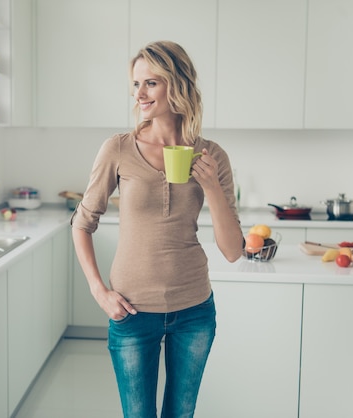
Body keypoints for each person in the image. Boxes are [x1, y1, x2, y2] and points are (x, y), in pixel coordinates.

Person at [71, 40, 244, 418]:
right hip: (131, 310)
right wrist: (99, 292)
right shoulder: (118, 148)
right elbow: (82, 223)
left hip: (195, 309)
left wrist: (211, 186)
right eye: (136, 84)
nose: (140, 94)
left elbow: (233, 250)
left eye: (151, 83)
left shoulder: (212, 155)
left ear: (177, 84)